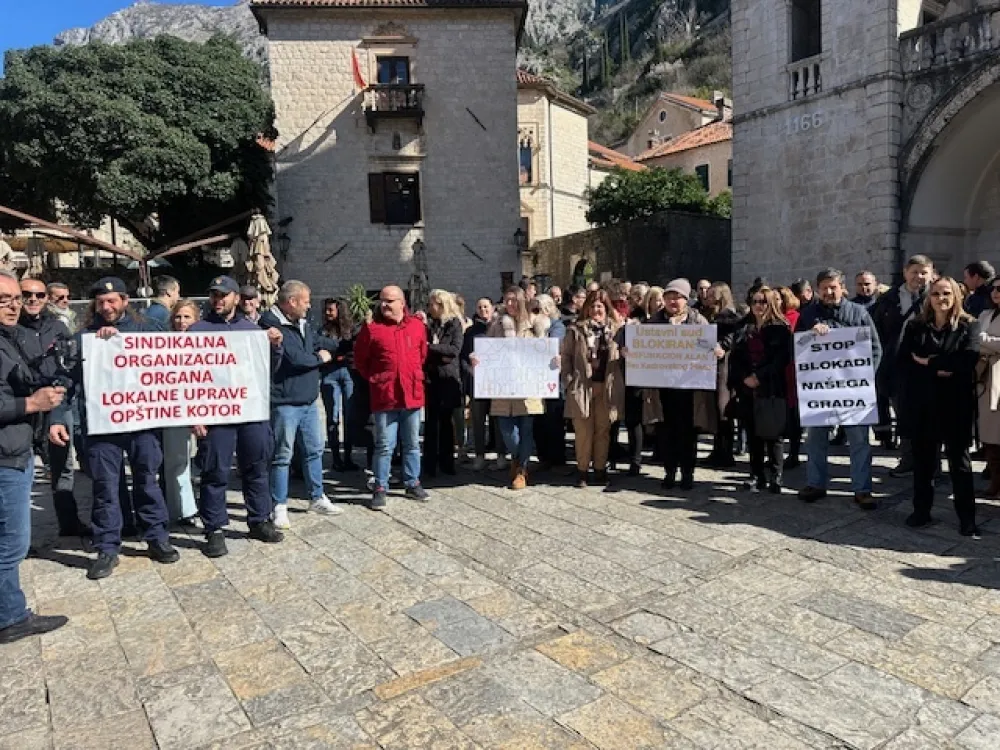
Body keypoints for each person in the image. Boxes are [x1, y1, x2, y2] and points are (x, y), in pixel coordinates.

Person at [50, 277, 180, 580]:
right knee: (105, 488)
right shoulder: (83, 338)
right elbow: (65, 379)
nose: (106, 307)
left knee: (147, 480)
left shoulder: (148, 329)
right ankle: (107, 547)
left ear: (125, 300)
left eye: (113, 300)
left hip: (144, 423)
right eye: (101, 302)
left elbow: (171, 366)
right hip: (101, 426)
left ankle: (156, 537)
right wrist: (57, 416)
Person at [189, 276, 285, 557]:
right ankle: (214, 529)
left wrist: (276, 346)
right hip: (216, 413)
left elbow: (269, 370)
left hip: (251, 411)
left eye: (223, 295)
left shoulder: (252, 330)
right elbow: (188, 378)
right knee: (215, 470)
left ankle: (259, 519)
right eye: (214, 295)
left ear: (235, 298)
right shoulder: (197, 331)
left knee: (256, 467)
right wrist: (194, 414)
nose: (218, 300)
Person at [0, 271, 69, 643]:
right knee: (12, 543)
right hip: (5, 456)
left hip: (18, 447)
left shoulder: (10, 338)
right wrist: (31, 402)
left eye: (16, 298)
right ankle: (10, 617)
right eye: (4, 299)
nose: (14, 305)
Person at [897, 276, 979, 536]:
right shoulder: (916, 326)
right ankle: (921, 511)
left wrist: (929, 363)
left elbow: (967, 363)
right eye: (935, 294)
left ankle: (967, 518)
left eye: (946, 293)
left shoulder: (969, 327)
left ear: (956, 296)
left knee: (960, 464)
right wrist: (943, 366)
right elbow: (905, 361)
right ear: (928, 298)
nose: (941, 298)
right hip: (924, 404)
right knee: (924, 462)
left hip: (956, 406)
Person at [797, 268, 882, 509]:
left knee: (859, 441)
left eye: (833, 287)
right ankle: (815, 483)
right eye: (824, 288)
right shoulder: (808, 315)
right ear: (817, 290)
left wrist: (864, 380)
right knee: (815, 439)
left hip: (853, 392)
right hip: (819, 391)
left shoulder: (858, 313)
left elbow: (875, 349)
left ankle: (862, 489)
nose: (828, 292)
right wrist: (809, 336)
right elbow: (797, 347)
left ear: (842, 288)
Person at [260, 280, 339, 529]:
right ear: (292, 302)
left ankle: (317, 496)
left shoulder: (302, 323)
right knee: (283, 455)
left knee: (314, 450)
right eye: (305, 301)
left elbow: (317, 342)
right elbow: (295, 359)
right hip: (285, 402)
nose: (308, 306)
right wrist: (320, 359)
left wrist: (342, 345)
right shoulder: (271, 324)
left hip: (307, 400)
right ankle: (279, 505)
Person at [16, 277, 87, 537]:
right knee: (19, 472)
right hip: (22, 407)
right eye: (26, 294)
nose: (32, 300)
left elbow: (71, 364)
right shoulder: (9, 328)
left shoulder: (57, 327)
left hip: (57, 404)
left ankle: (69, 524)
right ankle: (18, 533)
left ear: (46, 298)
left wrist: (61, 393)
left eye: (39, 295)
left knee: (62, 468)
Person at [355, 285, 429, 510]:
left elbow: (422, 355)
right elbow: (360, 360)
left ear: (402, 303)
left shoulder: (417, 326)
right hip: (385, 395)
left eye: (390, 301)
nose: (384, 305)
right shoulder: (372, 329)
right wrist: (377, 378)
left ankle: (412, 482)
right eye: (382, 301)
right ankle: (380, 486)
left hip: (412, 394)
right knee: (385, 445)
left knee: (412, 443)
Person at [647, 279, 714, 490]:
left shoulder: (698, 321)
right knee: (666, 432)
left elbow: (707, 345)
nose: (672, 301)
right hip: (663, 386)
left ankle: (687, 473)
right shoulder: (655, 322)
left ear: (686, 300)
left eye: (677, 297)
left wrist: (714, 350)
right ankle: (669, 471)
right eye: (668, 297)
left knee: (687, 433)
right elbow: (645, 347)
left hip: (689, 387)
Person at [482, 286, 549, 490]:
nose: (509, 304)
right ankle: (518, 459)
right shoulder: (497, 326)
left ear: (521, 301)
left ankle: (521, 470)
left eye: (513, 300)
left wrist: (553, 358)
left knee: (526, 430)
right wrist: (479, 359)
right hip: (503, 388)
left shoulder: (536, 325)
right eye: (506, 300)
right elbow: (488, 353)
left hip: (527, 389)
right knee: (507, 431)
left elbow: (543, 353)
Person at [872, 254, 934, 472]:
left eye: (923, 272)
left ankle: (931, 462)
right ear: (905, 272)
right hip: (898, 364)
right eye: (914, 271)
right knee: (904, 414)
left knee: (930, 415)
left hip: (929, 365)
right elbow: (875, 328)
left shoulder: (939, 295)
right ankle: (908, 459)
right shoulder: (889, 299)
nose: (919, 276)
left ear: (931, 274)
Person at [729, 286, 792, 493]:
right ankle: (756, 475)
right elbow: (736, 357)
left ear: (771, 303)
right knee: (753, 433)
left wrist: (760, 376)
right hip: (747, 388)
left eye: (763, 302)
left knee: (773, 435)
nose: (758, 305)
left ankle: (776, 476)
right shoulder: (742, 327)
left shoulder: (781, 328)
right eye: (755, 301)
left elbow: (781, 359)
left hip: (771, 386)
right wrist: (745, 378)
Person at [562, 289, 624, 487]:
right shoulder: (575, 330)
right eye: (593, 306)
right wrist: (569, 379)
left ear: (607, 308)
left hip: (607, 386)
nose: (597, 309)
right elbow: (566, 357)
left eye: (600, 306)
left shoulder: (617, 330)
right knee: (583, 431)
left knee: (603, 431)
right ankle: (582, 470)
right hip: (583, 386)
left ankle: (600, 469)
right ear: (587, 308)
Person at [161, 300, 201, 528]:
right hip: (174, 409)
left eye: (187, 317)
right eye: (178, 317)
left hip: (207, 408)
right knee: (177, 461)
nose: (182, 322)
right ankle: (182, 508)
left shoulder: (209, 342)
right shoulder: (162, 344)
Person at [422, 289, 464, 478]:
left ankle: (447, 462)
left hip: (448, 378)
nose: (429, 307)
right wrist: (438, 353)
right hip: (432, 377)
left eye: (432, 304)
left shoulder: (454, 324)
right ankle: (429, 463)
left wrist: (431, 348)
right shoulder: (430, 324)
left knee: (446, 422)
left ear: (441, 305)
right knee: (431, 422)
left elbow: (454, 349)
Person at [701, 282, 743, 469]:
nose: (707, 298)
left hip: (724, 365)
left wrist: (723, 346)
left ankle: (725, 452)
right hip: (716, 366)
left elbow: (731, 337)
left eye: (711, 295)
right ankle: (719, 449)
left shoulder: (729, 317)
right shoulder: (716, 315)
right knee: (719, 411)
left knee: (723, 409)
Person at [318, 298, 359, 472]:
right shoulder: (323, 330)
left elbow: (352, 349)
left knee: (349, 415)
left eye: (331, 310)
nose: (328, 313)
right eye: (326, 310)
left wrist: (336, 353)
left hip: (348, 372)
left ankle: (348, 456)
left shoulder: (351, 329)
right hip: (329, 373)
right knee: (332, 416)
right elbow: (319, 348)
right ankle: (336, 457)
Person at [461, 297, 498, 472]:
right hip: (478, 383)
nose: (483, 309)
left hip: (497, 383)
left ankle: (501, 455)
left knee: (497, 420)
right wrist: (470, 370)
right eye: (480, 307)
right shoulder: (470, 332)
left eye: (486, 306)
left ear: (492, 309)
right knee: (477, 421)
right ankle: (480, 455)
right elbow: (463, 357)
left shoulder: (499, 329)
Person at [534, 294, 567, 471]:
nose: (534, 313)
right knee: (538, 420)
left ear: (547, 309)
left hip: (553, 380)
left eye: (537, 309)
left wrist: (539, 333)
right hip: (536, 379)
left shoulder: (557, 326)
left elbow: (551, 346)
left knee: (553, 419)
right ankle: (543, 456)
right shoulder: (532, 325)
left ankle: (557, 458)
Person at [976, 278, 1000, 498]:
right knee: (989, 434)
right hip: (984, 376)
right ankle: (994, 481)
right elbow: (973, 340)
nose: (996, 292)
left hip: (998, 376)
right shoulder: (984, 315)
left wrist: (984, 340)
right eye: (994, 288)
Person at [777, 286, 803, 468]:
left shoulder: (795, 318)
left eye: (778, 299)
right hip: (777, 372)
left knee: (794, 415)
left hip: (793, 372)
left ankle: (794, 453)